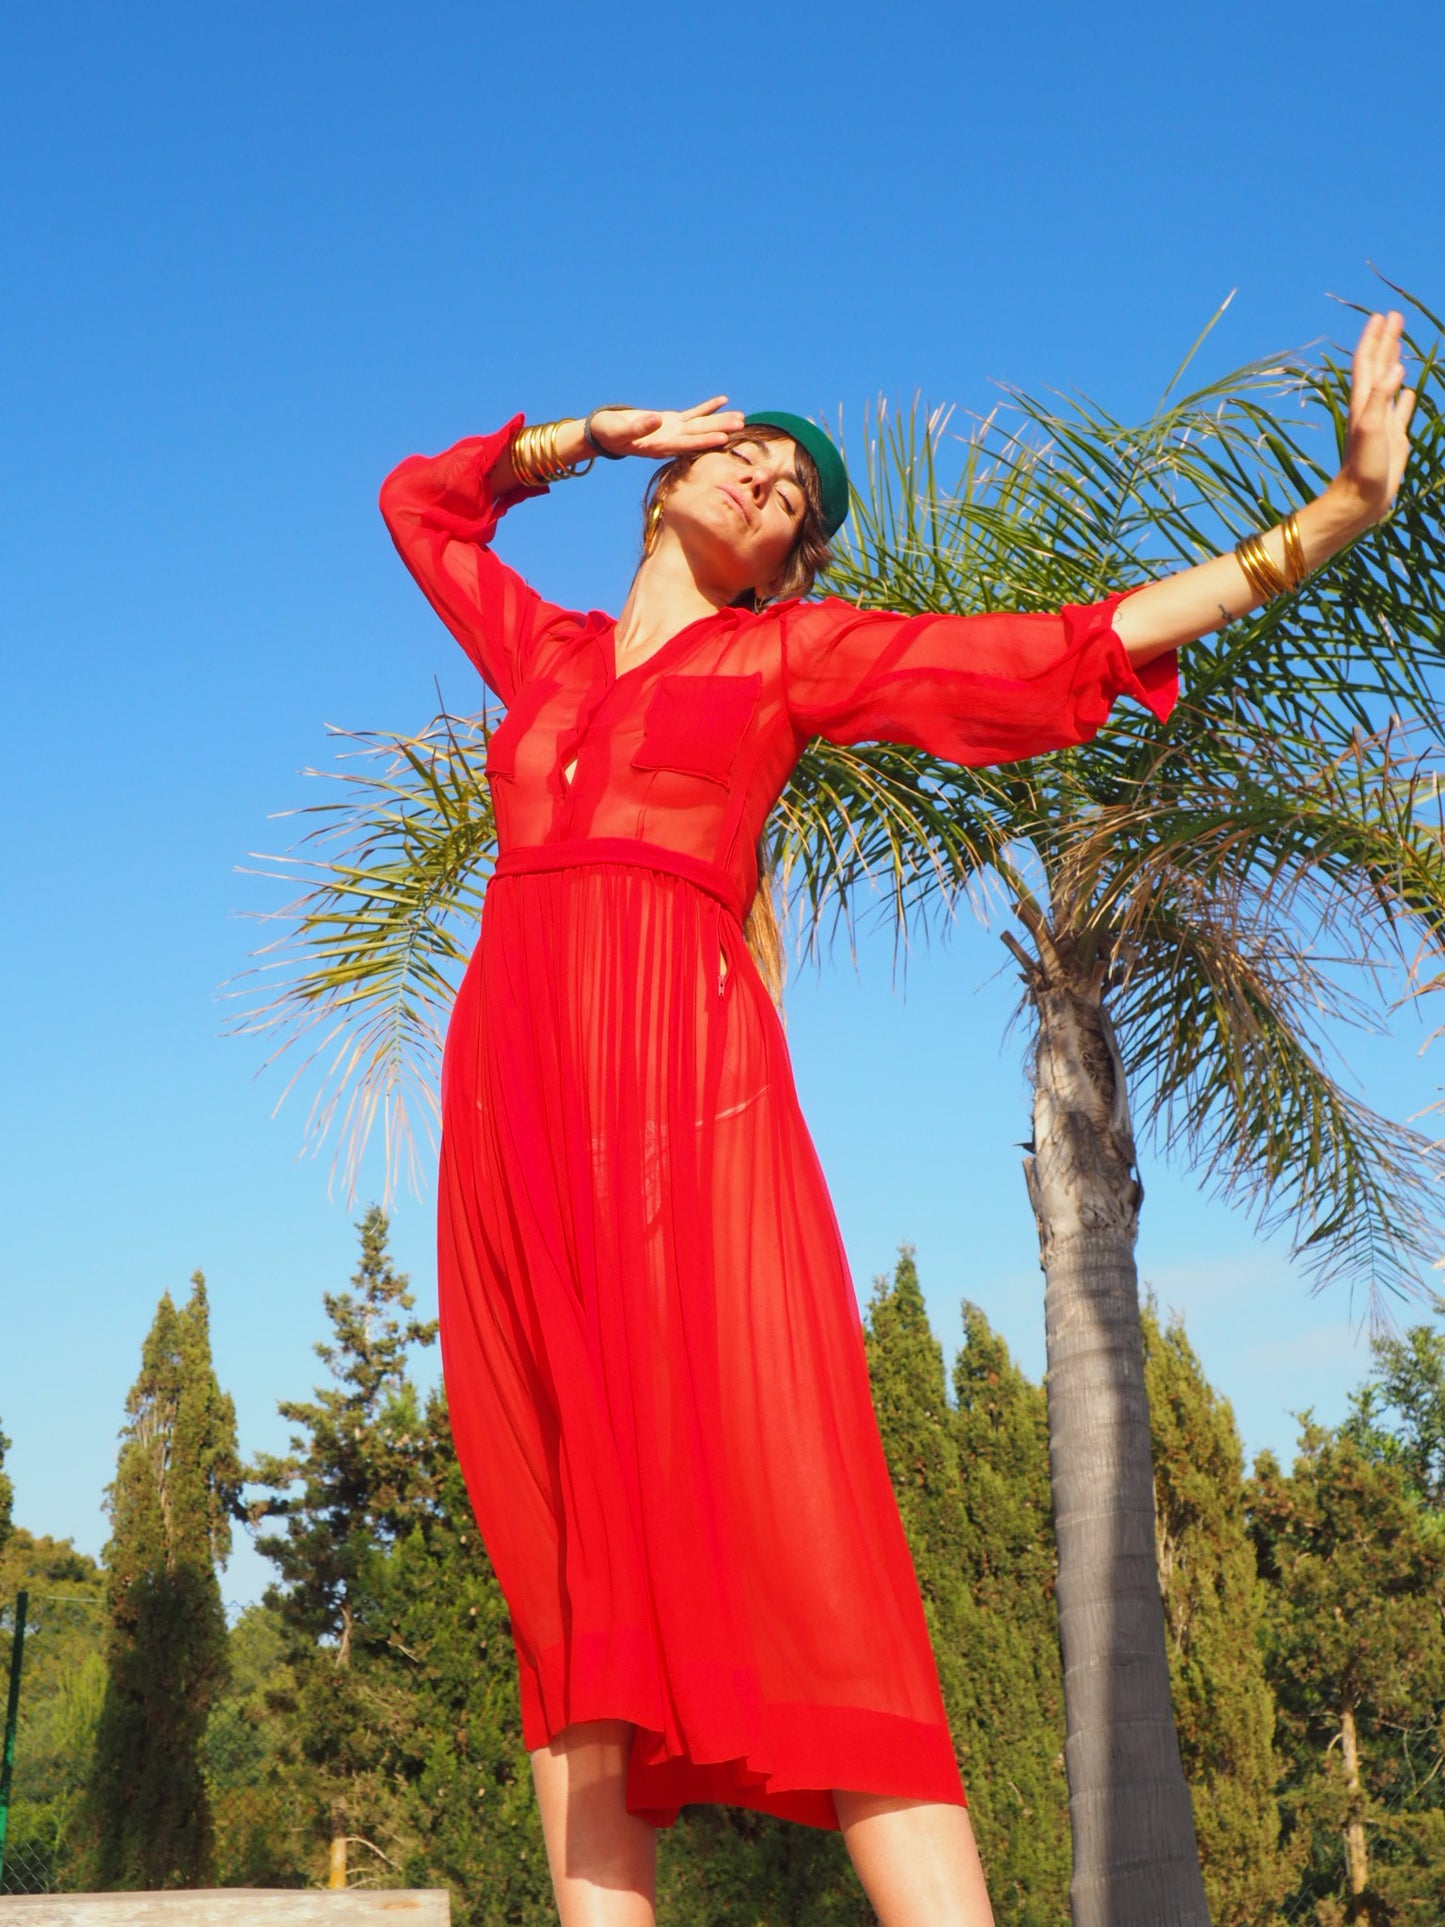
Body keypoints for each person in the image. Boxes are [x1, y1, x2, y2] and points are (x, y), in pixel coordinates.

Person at [379, 312, 1414, 1927]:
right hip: (510, 1118)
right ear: (673, 484)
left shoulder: (782, 656)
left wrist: (1330, 519)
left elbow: (1049, 649)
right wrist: (583, 436)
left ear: (783, 568)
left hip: (681, 1111)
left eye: (794, 496)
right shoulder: (548, 658)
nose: (773, 485)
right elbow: (420, 508)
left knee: (799, 1517)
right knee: (563, 1543)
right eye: (753, 456)